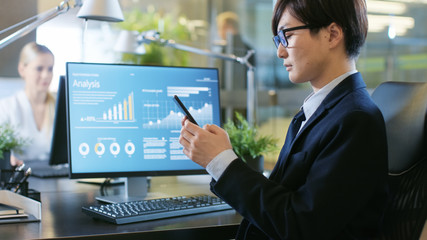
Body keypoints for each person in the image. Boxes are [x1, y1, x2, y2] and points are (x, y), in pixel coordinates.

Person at [179, 0, 389, 239]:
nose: (280, 51)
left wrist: (222, 161)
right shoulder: (321, 110)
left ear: (332, 35)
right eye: (278, 40)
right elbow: (285, 198)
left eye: (287, 35)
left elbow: (302, 225)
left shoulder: (356, 120)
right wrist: (221, 157)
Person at [0, 42, 55, 166]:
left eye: (50, 69)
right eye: (39, 68)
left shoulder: (60, 108)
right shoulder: (6, 107)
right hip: (20, 178)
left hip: (55, 178)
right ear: (22, 69)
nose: (46, 75)